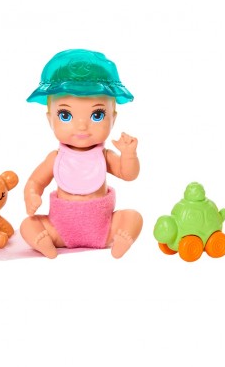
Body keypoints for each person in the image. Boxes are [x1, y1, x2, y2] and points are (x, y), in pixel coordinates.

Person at [20, 49, 143, 258]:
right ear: (50, 120)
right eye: (65, 115)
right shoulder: (55, 159)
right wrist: (31, 195)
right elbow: (35, 181)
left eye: (97, 114)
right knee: (28, 225)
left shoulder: (104, 156)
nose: (82, 126)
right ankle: (45, 243)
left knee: (133, 217)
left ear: (113, 119)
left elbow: (128, 174)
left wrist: (129, 155)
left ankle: (121, 241)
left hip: (104, 229)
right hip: (58, 229)